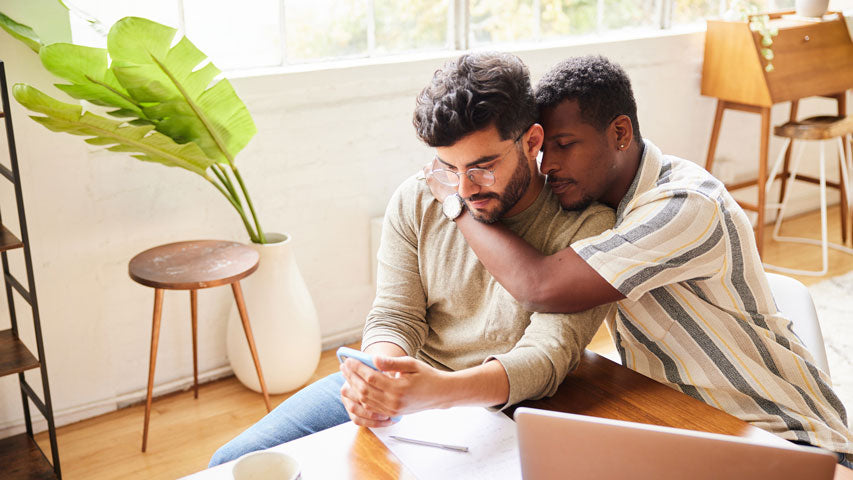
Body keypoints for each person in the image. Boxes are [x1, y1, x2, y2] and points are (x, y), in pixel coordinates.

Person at [423, 55, 853, 467]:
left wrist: (455, 202)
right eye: (543, 149)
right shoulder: (602, 209)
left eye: (564, 145)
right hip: (687, 430)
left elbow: (541, 287)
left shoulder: (685, 206)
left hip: (790, 441)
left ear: (621, 133)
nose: (548, 165)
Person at [208, 52, 615, 466]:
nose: (463, 187)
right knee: (229, 461)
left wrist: (439, 391)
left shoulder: (588, 226)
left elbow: (548, 357)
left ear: (531, 142)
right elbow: (394, 313)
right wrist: (381, 375)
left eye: (482, 167)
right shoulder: (419, 196)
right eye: (448, 167)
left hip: (504, 404)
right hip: (413, 383)